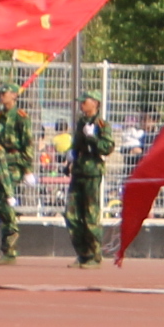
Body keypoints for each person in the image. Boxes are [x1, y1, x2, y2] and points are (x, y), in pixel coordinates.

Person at [66, 93, 116, 265]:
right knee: (72, 214)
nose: (81, 105)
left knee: (90, 215)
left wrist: (92, 138)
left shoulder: (101, 124)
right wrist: (69, 160)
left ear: (95, 103)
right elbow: (76, 145)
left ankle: (94, 255)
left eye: (84, 102)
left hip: (92, 171)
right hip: (79, 170)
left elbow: (107, 147)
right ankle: (83, 254)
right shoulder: (81, 122)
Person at [0, 85, 31, 262]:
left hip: (13, 164)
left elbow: (27, 143)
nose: (1, 96)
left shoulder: (21, 117)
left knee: (5, 203)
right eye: (0, 93)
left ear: (14, 95)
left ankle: (10, 248)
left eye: (4, 93)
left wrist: (27, 169)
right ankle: (6, 245)